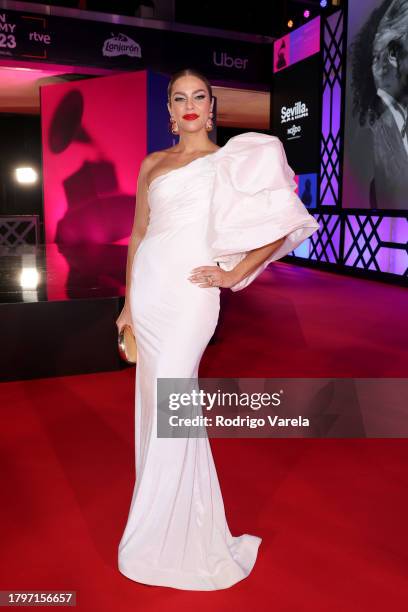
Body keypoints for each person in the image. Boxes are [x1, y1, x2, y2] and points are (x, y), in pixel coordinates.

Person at [115, 68, 320, 591]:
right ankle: (163, 517)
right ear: (169, 109)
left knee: (171, 401)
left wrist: (234, 273)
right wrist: (126, 304)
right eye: (178, 97)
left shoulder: (232, 160)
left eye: (198, 96)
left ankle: (167, 532)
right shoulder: (152, 164)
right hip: (150, 292)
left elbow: (286, 222)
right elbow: (139, 234)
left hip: (191, 298)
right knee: (154, 407)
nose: (189, 105)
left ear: (212, 107)